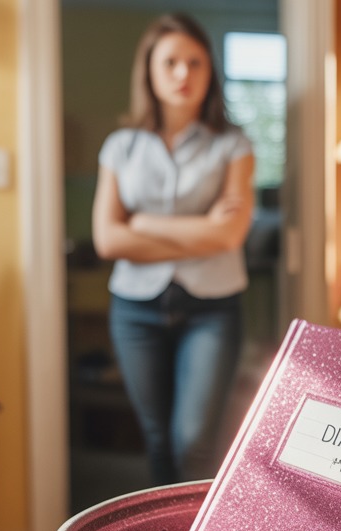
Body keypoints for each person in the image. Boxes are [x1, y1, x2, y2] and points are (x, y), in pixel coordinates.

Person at [92, 12, 255, 486]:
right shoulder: (120, 147)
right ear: (149, 71)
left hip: (213, 309)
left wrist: (141, 224)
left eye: (195, 63)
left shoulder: (233, 144)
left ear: (210, 72)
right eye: (171, 63)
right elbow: (108, 239)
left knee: (195, 441)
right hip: (134, 310)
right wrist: (200, 228)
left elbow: (228, 237)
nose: (183, 74)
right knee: (158, 439)